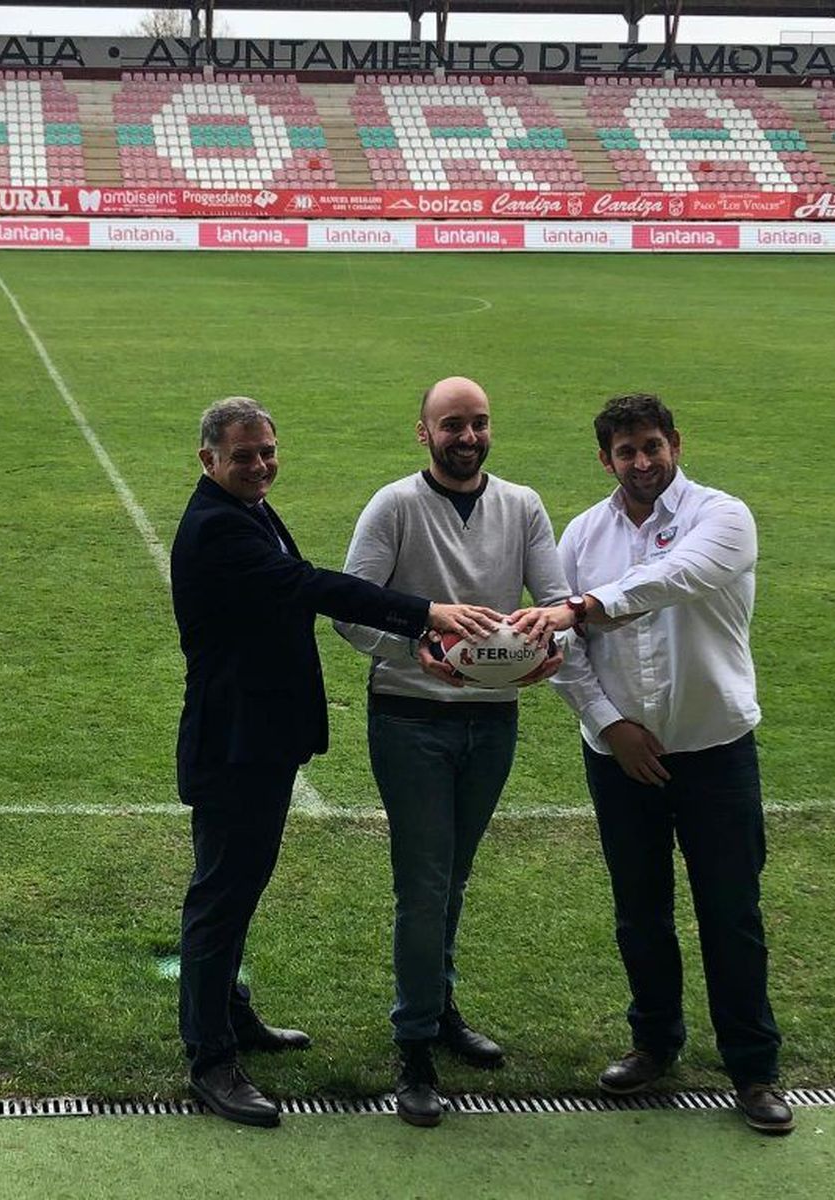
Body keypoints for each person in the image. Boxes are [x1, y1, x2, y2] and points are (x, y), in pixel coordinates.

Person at [172, 396, 501, 1129]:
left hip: (259, 739)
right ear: (207, 460)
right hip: (234, 746)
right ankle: (210, 1057)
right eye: (242, 456)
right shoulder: (218, 526)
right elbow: (309, 585)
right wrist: (425, 612)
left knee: (238, 890)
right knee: (221, 898)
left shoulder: (245, 509)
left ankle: (231, 1016)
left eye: (267, 451)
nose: (260, 465)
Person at [511, 393, 792, 1136]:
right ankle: (654, 1044)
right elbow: (561, 649)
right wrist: (611, 726)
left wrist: (581, 606)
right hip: (620, 758)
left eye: (652, 446)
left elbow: (675, 578)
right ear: (605, 460)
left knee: (731, 913)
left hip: (715, 750)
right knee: (640, 912)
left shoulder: (721, 517)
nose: (642, 462)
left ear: (676, 444)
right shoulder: (583, 534)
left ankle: (754, 1069)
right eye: (626, 451)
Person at [332, 376, 568, 1127]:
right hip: (410, 720)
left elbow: (556, 602)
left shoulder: (523, 505)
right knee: (424, 885)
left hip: (491, 721)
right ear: (423, 433)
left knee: (453, 880)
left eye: (479, 423)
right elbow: (348, 610)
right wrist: (418, 646)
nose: (468, 437)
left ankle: (438, 1009)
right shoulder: (395, 505)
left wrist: (546, 645)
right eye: (452, 425)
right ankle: (414, 1047)